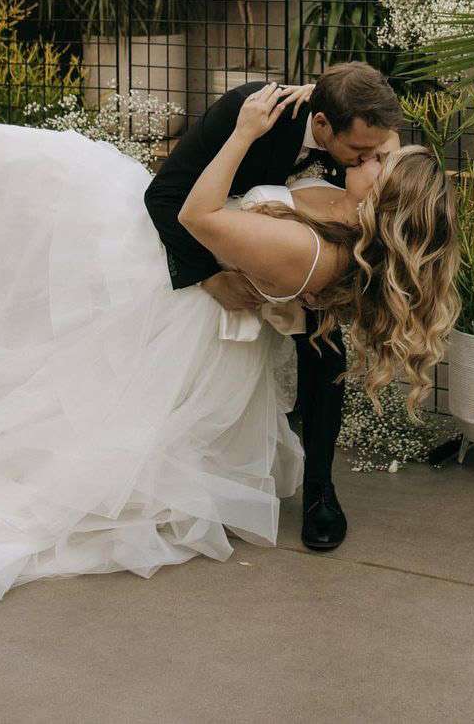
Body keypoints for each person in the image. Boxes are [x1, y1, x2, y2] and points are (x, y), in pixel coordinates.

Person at [0, 80, 459, 623]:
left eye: (382, 160)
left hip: (183, 291)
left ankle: (318, 492)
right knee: (20, 181)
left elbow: (198, 218)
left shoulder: (313, 252)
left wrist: (242, 133)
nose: (372, 153)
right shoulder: (343, 205)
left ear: (383, 200)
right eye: (374, 148)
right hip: (187, 268)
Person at [145, 61, 405, 551]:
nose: (371, 160)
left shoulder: (360, 128)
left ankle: (319, 490)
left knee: (327, 352)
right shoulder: (248, 111)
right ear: (323, 125)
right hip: (217, 245)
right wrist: (208, 276)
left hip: (302, 253)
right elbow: (162, 196)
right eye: (361, 151)